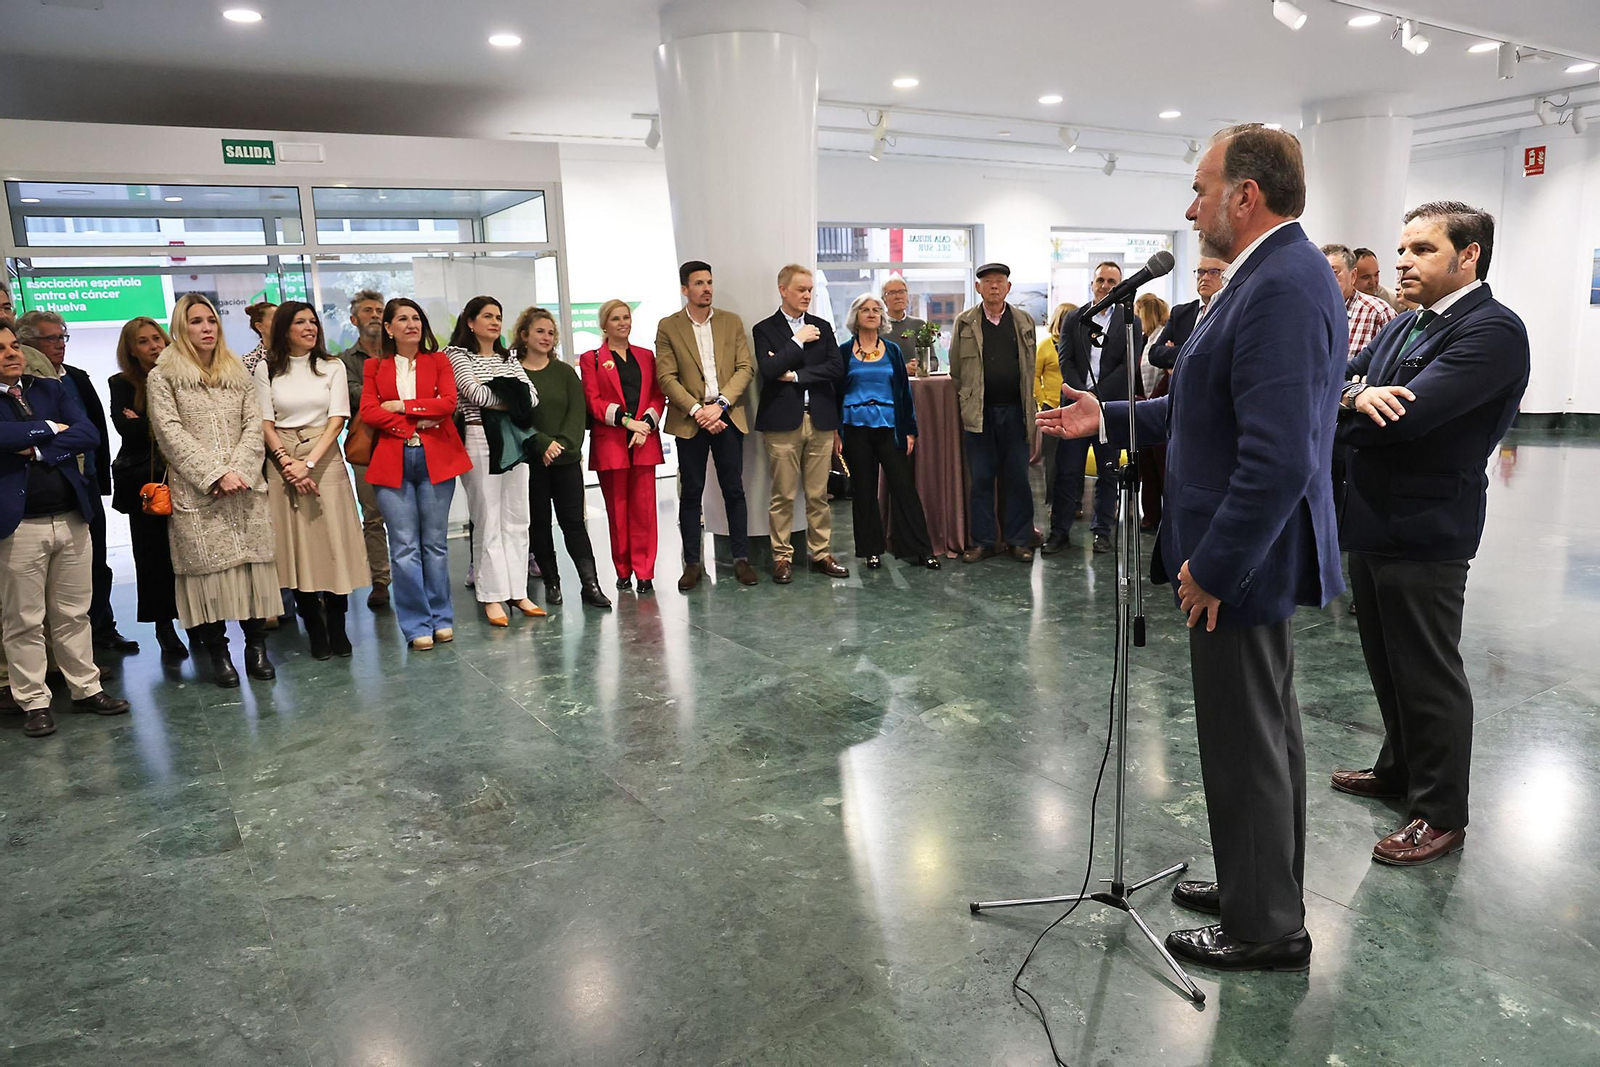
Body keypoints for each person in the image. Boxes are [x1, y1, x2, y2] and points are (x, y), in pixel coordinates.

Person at [1040, 123, 1345, 972]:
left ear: (1245, 196)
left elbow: (1277, 455)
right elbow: (1207, 413)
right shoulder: (1270, 275)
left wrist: (1211, 566)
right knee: (1265, 732)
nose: (1191, 203)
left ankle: (1266, 926)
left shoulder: (1280, 283)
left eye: (1201, 186)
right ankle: (1260, 884)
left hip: (1240, 557)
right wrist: (1112, 417)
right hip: (1249, 551)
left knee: (1246, 740)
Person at [1333, 201, 1530, 866]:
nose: (1402, 262)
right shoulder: (1406, 324)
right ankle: (1399, 769)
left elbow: (1405, 420)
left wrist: (1356, 406)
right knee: (1387, 664)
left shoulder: (1492, 331)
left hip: (1427, 525)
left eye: (1421, 249)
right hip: (1374, 518)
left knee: (1427, 672)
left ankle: (1441, 809)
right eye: (1402, 250)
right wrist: (1354, 397)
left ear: (1467, 255)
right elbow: (1341, 378)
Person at [0, 320, 131, 737]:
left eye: (13, 346)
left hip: (71, 516)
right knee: (23, 619)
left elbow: (88, 432)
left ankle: (86, 688)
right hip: (20, 525)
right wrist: (50, 430)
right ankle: (34, 702)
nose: (10, 354)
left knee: (74, 613)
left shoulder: (49, 388)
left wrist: (33, 447)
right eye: (0, 348)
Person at [147, 294, 279, 687]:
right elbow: (169, 433)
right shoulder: (163, 376)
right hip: (199, 491)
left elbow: (254, 425)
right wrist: (216, 474)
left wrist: (238, 470)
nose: (206, 328)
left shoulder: (237, 370)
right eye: (196, 321)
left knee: (252, 570)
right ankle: (218, 653)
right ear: (180, 327)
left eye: (211, 320)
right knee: (207, 578)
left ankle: (256, 648)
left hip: (245, 488)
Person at [16, 309, 136, 652]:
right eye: (49, 338)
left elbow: (90, 431)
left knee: (96, 563)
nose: (59, 345)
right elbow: (18, 436)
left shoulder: (76, 378)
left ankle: (103, 629)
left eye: (61, 337)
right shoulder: (24, 384)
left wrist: (98, 481)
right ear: (27, 343)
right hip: (42, 493)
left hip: (84, 483)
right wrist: (52, 436)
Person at [255, 301, 370, 661]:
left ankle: (337, 626)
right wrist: (288, 462)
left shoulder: (331, 366)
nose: (310, 328)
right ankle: (315, 629)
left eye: (313, 322)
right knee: (298, 549)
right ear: (284, 329)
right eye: (300, 322)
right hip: (283, 461)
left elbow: (338, 419)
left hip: (324, 457)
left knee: (334, 546)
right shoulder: (266, 368)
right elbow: (265, 422)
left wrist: (308, 463)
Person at [361, 299, 470, 650]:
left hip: (436, 459)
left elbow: (448, 404)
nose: (412, 324)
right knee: (404, 547)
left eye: (416, 318)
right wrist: (411, 425)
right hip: (393, 460)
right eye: (403, 319)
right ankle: (415, 623)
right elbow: (369, 412)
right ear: (389, 328)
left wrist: (403, 406)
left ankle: (442, 617)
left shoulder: (438, 361)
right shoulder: (374, 368)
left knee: (435, 545)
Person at [655, 260, 759, 591]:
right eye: (699, 283)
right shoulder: (668, 326)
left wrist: (721, 406)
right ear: (685, 289)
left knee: (734, 489)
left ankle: (741, 559)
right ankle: (692, 563)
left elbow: (745, 368)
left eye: (710, 282)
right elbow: (666, 377)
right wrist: (700, 410)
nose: (707, 288)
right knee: (691, 492)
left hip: (727, 414)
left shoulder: (731, 322)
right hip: (691, 419)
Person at [447, 295, 545, 625]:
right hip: (478, 438)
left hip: (514, 440)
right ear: (470, 322)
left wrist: (507, 400)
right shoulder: (456, 355)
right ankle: (491, 595)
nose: (494, 322)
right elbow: (474, 394)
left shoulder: (509, 356)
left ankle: (518, 591)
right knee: (487, 518)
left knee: (518, 517)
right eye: (487, 316)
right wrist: (510, 400)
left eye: (499, 316)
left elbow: (531, 396)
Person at [752, 265, 849, 583]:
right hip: (782, 423)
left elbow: (835, 367)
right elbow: (768, 369)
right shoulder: (764, 329)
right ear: (783, 290)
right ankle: (781, 557)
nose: (807, 295)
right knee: (782, 494)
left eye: (810, 290)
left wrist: (795, 375)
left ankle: (820, 553)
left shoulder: (821, 326)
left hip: (819, 420)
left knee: (818, 494)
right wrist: (796, 340)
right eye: (801, 289)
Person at [512, 306, 611, 610]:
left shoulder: (565, 372)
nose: (546, 337)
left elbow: (577, 415)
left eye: (551, 333)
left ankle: (590, 584)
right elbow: (515, 418)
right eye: (540, 331)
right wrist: (541, 444)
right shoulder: (514, 373)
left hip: (566, 462)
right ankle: (552, 583)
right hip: (532, 463)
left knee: (574, 524)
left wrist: (562, 446)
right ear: (524, 335)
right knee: (539, 525)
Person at [1045, 263, 1146, 556]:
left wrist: (1097, 397)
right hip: (1075, 408)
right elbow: (1065, 361)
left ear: (1120, 285)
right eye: (1100, 279)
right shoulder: (1075, 318)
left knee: (1108, 471)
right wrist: (1082, 396)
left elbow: (1129, 364)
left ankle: (1102, 531)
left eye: (1111, 281)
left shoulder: (1130, 322)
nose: (1105, 285)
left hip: (1109, 409)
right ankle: (1059, 532)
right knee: (1067, 472)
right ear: (1092, 283)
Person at [838, 294, 938, 570]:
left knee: (904, 487)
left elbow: (904, 394)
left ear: (882, 318)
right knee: (865, 490)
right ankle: (871, 550)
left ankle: (921, 549)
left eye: (876, 310)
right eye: (865, 310)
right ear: (855, 317)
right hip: (855, 428)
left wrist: (910, 431)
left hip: (890, 427)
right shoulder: (844, 351)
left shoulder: (893, 350)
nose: (871, 314)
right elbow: (836, 392)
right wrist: (837, 432)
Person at [948, 262, 1038, 564]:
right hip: (980, 413)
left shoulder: (1023, 321)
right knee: (982, 479)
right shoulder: (964, 323)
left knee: (1017, 478)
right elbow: (957, 370)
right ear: (978, 288)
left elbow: (1030, 365)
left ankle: (1018, 540)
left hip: (1017, 412)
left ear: (1008, 287)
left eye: (1000, 282)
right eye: (988, 282)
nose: (994, 287)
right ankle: (983, 541)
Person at [109, 316, 188, 659]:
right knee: (153, 557)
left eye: (157, 338)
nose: (154, 346)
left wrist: (147, 421)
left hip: (185, 477)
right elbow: (127, 431)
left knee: (188, 553)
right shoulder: (121, 382)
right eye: (144, 341)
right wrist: (161, 424)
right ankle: (164, 627)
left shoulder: (182, 375)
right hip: (147, 483)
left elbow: (190, 423)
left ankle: (198, 622)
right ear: (131, 350)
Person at [580, 300, 666, 593]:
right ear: (604, 325)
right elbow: (593, 401)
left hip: (644, 440)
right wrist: (628, 422)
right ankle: (622, 569)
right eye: (615, 318)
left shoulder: (646, 356)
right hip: (613, 442)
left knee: (645, 510)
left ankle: (645, 571)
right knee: (617, 511)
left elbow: (657, 395)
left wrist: (646, 425)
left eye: (626, 317)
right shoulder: (591, 359)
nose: (622, 323)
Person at [1139, 260, 1226, 538]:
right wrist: (1191, 356)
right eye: (1200, 271)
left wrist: (1180, 354)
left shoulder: (1230, 311)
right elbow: (1156, 354)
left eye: (1213, 272)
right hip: (1176, 396)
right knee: (1161, 462)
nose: (1205, 277)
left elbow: (1221, 355)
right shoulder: (1183, 312)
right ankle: (1162, 518)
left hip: (1215, 406)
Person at [338, 289, 392, 609]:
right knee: (372, 516)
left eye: (380, 310)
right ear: (354, 319)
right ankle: (380, 579)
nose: (375, 314)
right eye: (368, 310)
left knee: (408, 517)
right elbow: (355, 397)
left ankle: (414, 576)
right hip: (366, 446)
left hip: (406, 442)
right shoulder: (343, 361)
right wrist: (392, 397)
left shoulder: (401, 355)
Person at [1035, 302, 1074, 528]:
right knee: (1052, 461)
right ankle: (1052, 503)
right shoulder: (1045, 346)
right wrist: (1042, 402)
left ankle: (1074, 503)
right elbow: (1034, 376)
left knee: (1072, 462)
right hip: (1051, 408)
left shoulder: (1079, 344)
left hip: (1073, 408)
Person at [1133, 294, 1171, 532]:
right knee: (1147, 468)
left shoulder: (1165, 337)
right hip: (1145, 408)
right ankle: (1151, 517)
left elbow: (1168, 374)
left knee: (1163, 468)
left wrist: (1151, 401)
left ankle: (1165, 518)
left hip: (1159, 409)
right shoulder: (1147, 340)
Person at [1324, 243, 1398, 360]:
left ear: (1353, 276)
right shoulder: (1310, 312)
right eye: (1320, 273)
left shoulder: (1378, 313)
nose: (1325, 279)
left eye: (1334, 273)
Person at [880, 275, 929, 375]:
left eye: (902, 292)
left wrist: (921, 366)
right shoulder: (877, 327)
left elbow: (933, 361)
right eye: (892, 293)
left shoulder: (920, 325)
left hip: (918, 385)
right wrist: (902, 369)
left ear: (907, 296)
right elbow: (873, 365)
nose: (898, 296)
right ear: (884, 299)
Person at [242, 301, 276, 374]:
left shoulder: (298, 353)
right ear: (259, 327)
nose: (282, 323)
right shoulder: (247, 362)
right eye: (275, 320)